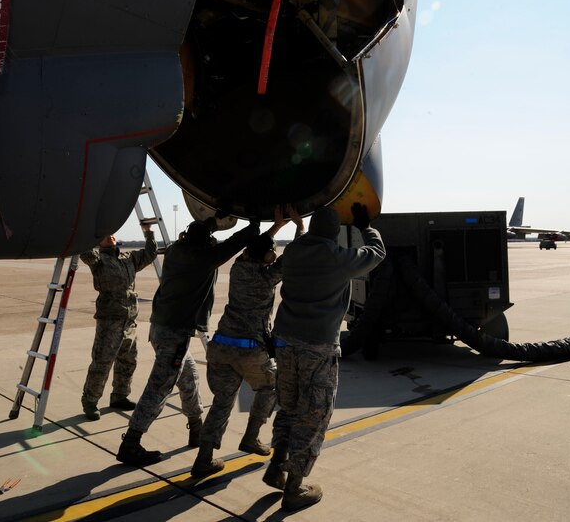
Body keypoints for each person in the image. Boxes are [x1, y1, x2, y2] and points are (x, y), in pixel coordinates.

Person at [264, 203, 385, 512]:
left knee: (288, 406)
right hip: (318, 346)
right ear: (334, 233)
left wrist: (298, 227)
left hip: (285, 342)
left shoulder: (294, 253)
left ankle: (277, 465)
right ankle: (295, 487)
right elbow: (376, 252)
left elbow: (293, 250)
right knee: (314, 415)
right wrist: (363, 226)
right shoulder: (337, 258)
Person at [116, 215, 260, 466]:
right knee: (159, 387)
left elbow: (203, 236)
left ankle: (197, 429)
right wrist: (254, 227)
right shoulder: (202, 258)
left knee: (190, 376)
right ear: (204, 244)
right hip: (175, 333)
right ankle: (131, 442)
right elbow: (231, 246)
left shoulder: (176, 251)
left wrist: (213, 222)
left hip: (161, 328)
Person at [191, 205, 304, 478]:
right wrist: (299, 227)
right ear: (268, 255)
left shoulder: (239, 268)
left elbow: (257, 247)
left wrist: (275, 227)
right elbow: (293, 255)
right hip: (250, 350)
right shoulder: (268, 277)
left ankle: (204, 458)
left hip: (220, 348)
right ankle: (251, 437)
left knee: (222, 402)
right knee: (270, 387)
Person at [79, 222, 158, 420]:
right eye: (104, 236)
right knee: (102, 364)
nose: (110, 236)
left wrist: (148, 232)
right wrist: (88, 230)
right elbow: (84, 251)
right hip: (109, 321)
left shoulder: (128, 258)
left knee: (128, 361)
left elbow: (150, 253)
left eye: (111, 234)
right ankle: (90, 401)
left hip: (129, 321)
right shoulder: (98, 259)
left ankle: (120, 396)